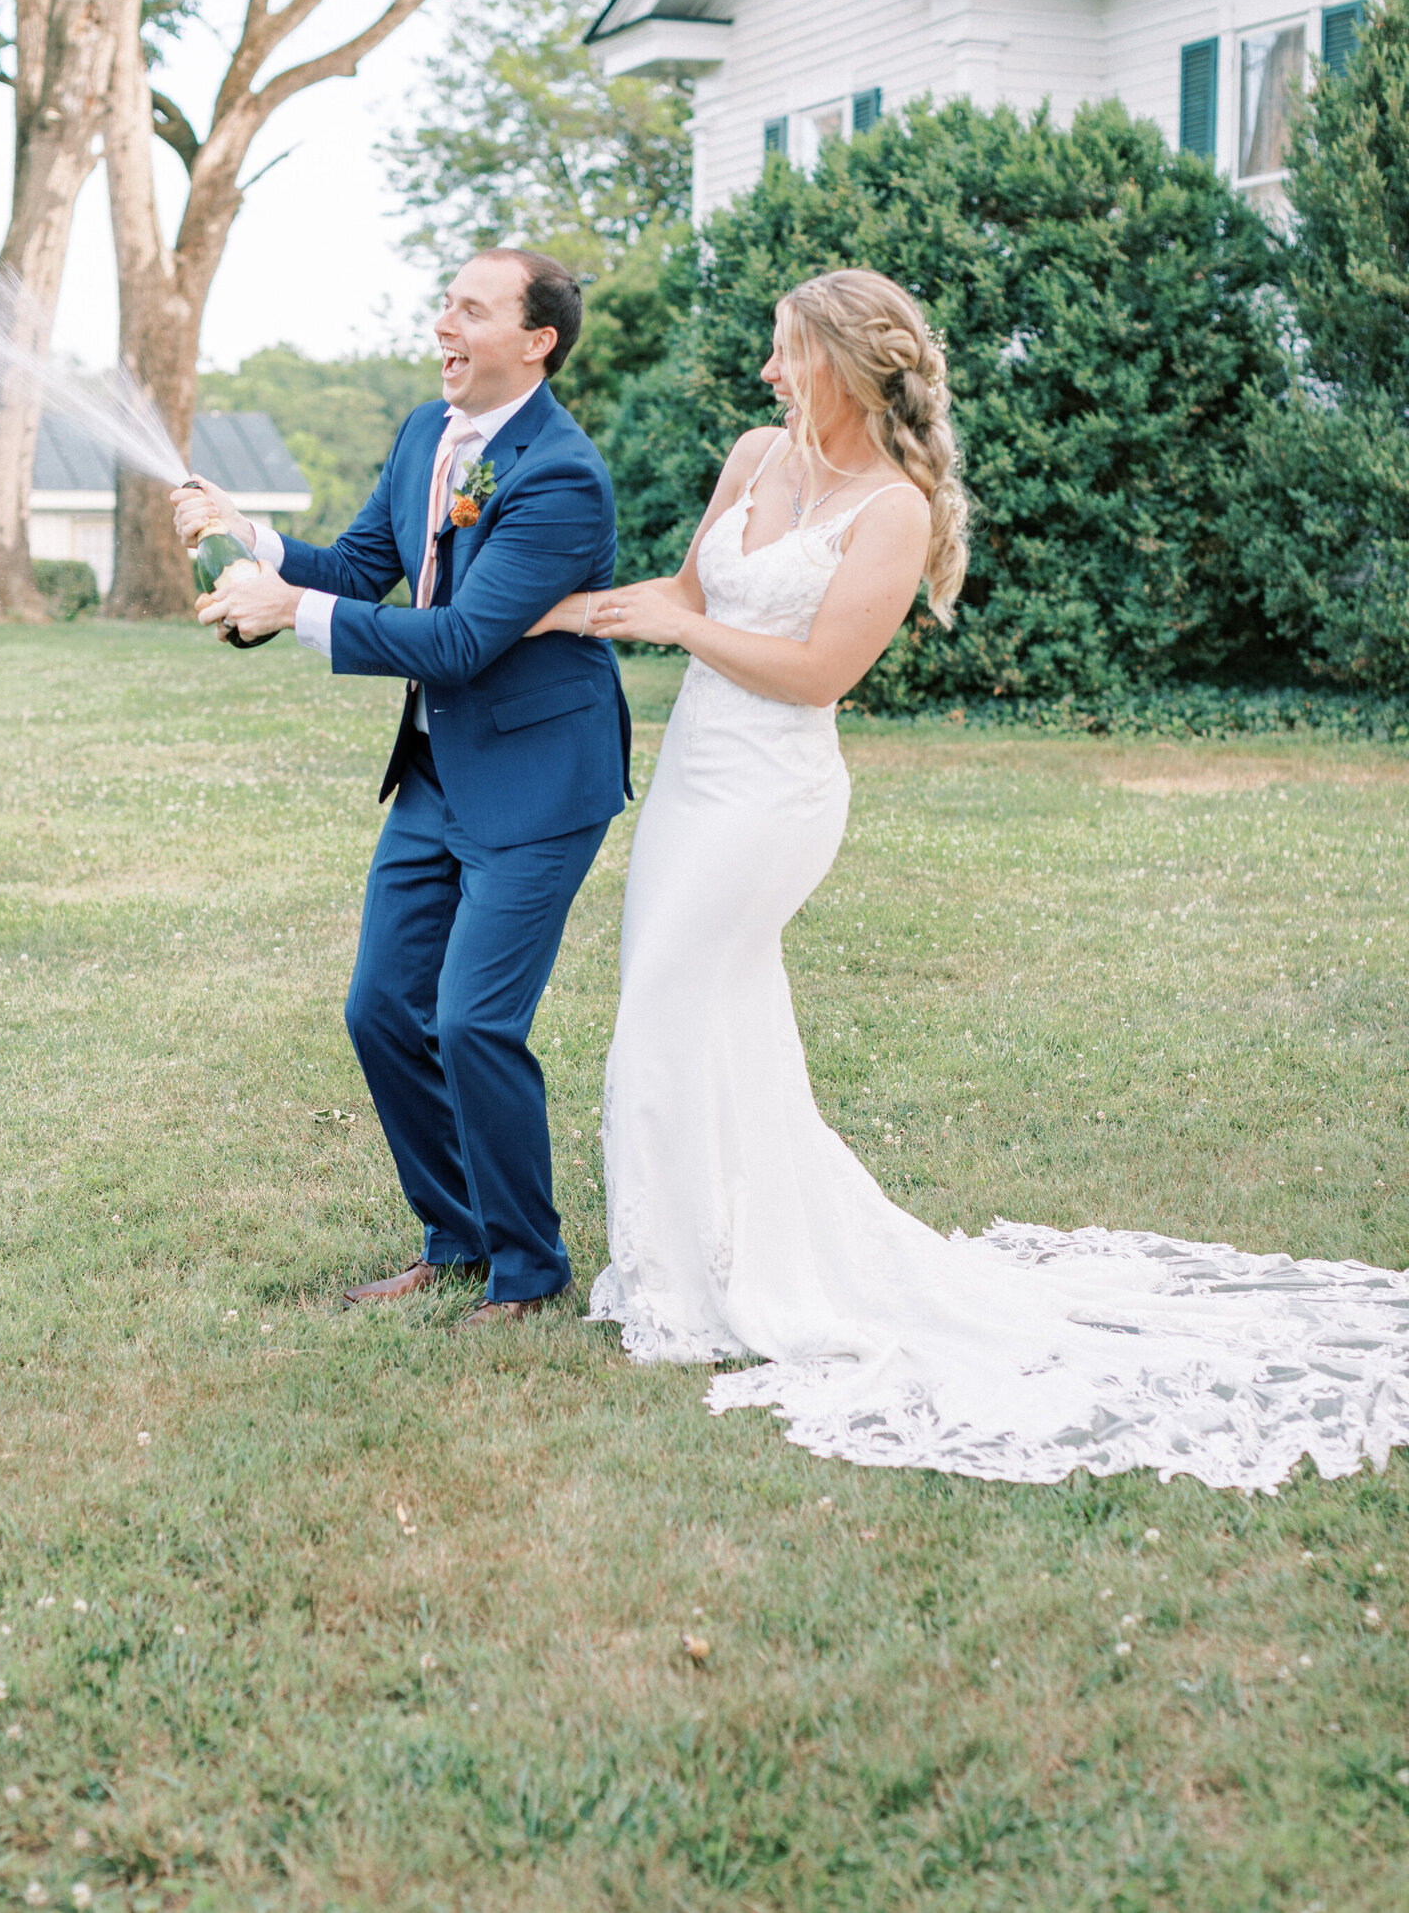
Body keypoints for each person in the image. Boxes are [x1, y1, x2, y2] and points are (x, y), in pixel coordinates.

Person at [529, 268, 1409, 1489]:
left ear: (842, 363)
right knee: (712, 1014)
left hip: (774, 795)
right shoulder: (751, 455)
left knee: (666, 1009)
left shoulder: (890, 508)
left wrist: (682, 634)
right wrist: (540, 614)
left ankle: (699, 1283)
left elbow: (818, 671)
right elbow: (683, 593)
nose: (770, 373)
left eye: (789, 353)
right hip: (691, 785)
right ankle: (703, 1259)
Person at [173, 248, 631, 1324]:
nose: (445, 325)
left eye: (471, 310)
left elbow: (467, 638)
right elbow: (361, 564)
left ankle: (528, 1265)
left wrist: (292, 614)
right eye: (445, 306)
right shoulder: (427, 434)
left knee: (473, 1022)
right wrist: (254, 541)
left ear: (536, 341)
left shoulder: (562, 475)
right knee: (381, 1008)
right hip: (434, 773)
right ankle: (456, 1234)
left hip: (537, 783)